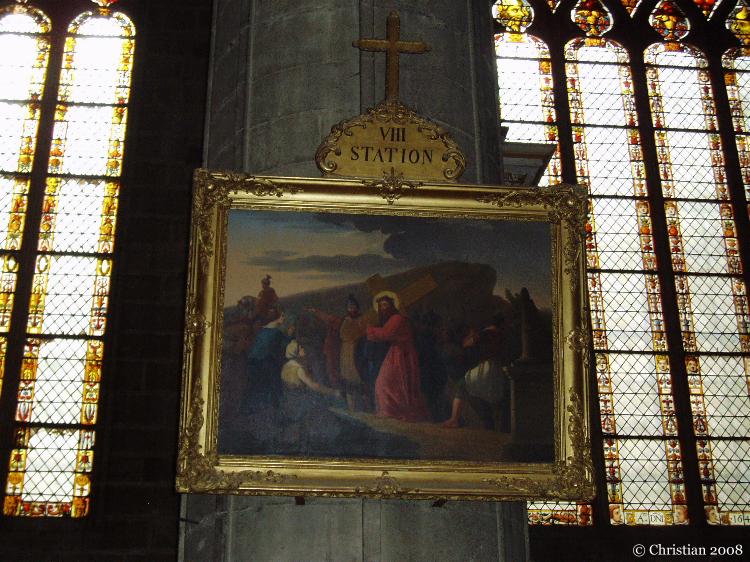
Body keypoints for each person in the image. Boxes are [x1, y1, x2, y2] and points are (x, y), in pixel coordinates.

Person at [366, 292, 430, 422]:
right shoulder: (393, 319)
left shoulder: (397, 318)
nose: (383, 308)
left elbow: (386, 334)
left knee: (387, 382)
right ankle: (391, 410)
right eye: (381, 306)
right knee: (389, 382)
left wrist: (369, 329)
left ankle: (393, 411)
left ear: (393, 305)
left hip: (403, 353)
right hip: (397, 352)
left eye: (385, 304)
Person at [443, 313, 506, 429]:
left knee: (462, 386)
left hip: (485, 367)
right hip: (494, 367)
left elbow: (467, 346)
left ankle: (454, 419)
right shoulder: (500, 334)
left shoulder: (484, 334)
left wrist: (471, 338)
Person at [308, 295, 368, 410]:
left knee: (358, 379)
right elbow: (329, 319)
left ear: (357, 307)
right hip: (345, 352)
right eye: (349, 307)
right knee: (347, 379)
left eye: (353, 306)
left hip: (356, 350)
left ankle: (365, 407)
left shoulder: (362, 320)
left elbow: (360, 334)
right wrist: (316, 311)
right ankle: (351, 408)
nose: (351, 309)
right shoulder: (344, 320)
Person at [244, 308, 291, 410]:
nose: (284, 318)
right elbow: (286, 343)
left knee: (259, 386)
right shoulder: (276, 332)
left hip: (253, 362)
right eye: (282, 316)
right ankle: (278, 409)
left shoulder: (262, 331)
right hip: (266, 362)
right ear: (277, 318)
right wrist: (290, 334)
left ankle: (258, 408)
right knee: (274, 385)